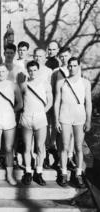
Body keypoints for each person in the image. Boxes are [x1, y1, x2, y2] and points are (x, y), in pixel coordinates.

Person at [54, 57, 92, 188]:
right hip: (65, 115)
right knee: (64, 146)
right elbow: (57, 102)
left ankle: (78, 174)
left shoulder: (85, 82)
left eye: (75, 65)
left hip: (79, 116)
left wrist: (88, 120)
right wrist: (56, 120)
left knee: (78, 147)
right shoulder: (61, 82)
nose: (72, 68)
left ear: (79, 66)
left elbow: (89, 103)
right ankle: (64, 173)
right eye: (70, 66)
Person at [20, 61, 53, 186]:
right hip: (27, 118)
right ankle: (28, 171)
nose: (32, 72)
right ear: (27, 71)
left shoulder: (45, 84)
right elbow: (20, 101)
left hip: (40, 118)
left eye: (35, 70)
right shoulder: (23, 85)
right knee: (27, 147)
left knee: (40, 147)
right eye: (30, 70)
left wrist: (42, 112)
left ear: (38, 70)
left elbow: (50, 101)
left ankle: (38, 172)